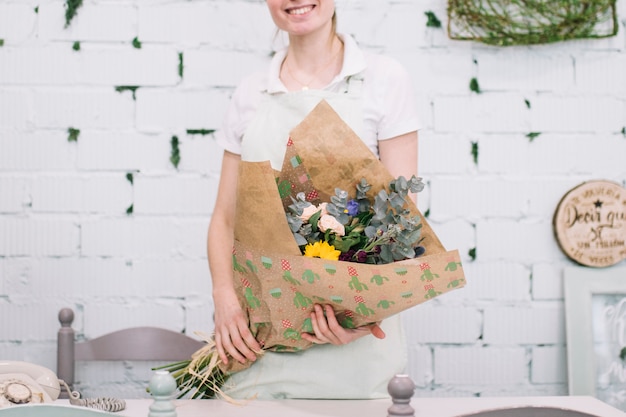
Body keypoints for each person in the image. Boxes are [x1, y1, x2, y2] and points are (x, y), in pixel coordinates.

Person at [207, 0, 420, 399]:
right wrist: (225, 299)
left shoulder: (384, 80)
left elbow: (401, 220)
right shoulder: (252, 91)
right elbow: (224, 217)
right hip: (260, 345)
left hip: (356, 353)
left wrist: (360, 314)